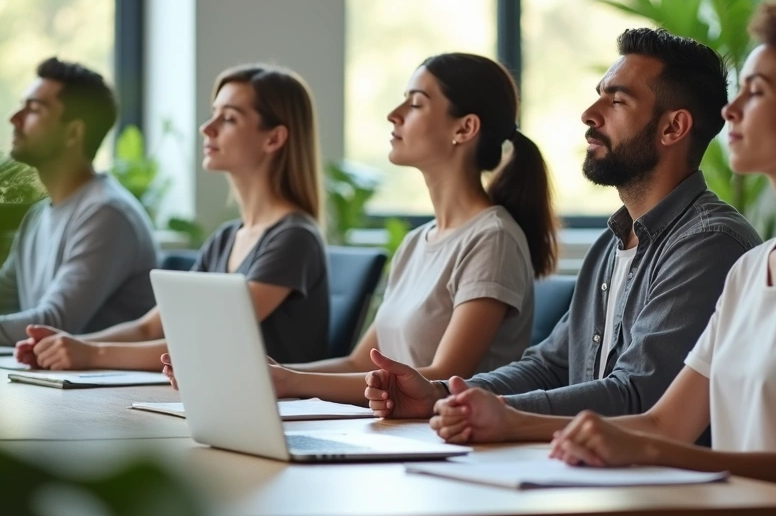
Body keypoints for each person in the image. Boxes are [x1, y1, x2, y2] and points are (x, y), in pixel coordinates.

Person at [548, 0, 776, 513]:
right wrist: (506, 421)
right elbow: (664, 421)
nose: (729, 110)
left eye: (757, 91)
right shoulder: (750, 268)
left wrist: (638, 448)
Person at [366, 29, 762, 441]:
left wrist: (493, 411)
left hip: (671, 494)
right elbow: (549, 366)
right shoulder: (611, 245)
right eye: (599, 95)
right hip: (593, 477)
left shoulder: (709, 244)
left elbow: (639, 396)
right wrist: (441, 393)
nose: (590, 113)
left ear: (673, 127)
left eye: (617, 100)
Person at [164, 53, 558, 405]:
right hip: (398, 435)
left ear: (465, 128)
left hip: (451, 445)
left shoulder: (493, 238)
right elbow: (358, 362)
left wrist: (287, 381)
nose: (395, 113)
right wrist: (253, 376)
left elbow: (441, 379)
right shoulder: (415, 243)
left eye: (416, 103)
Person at [15, 64, 330, 370]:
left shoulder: (294, 238)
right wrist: (65, 343)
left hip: (279, 417)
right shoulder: (225, 238)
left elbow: (206, 343)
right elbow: (149, 329)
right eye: (213, 113)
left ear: (273, 139)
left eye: (229, 118)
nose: (207, 127)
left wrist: (91, 353)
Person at [0, 57, 158, 346]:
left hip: (100, 389)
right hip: (51, 383)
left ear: (73, 133)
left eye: (34, 109)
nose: (14, 118)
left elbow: (53, 323)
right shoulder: (38, 215)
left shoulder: (106, 213)